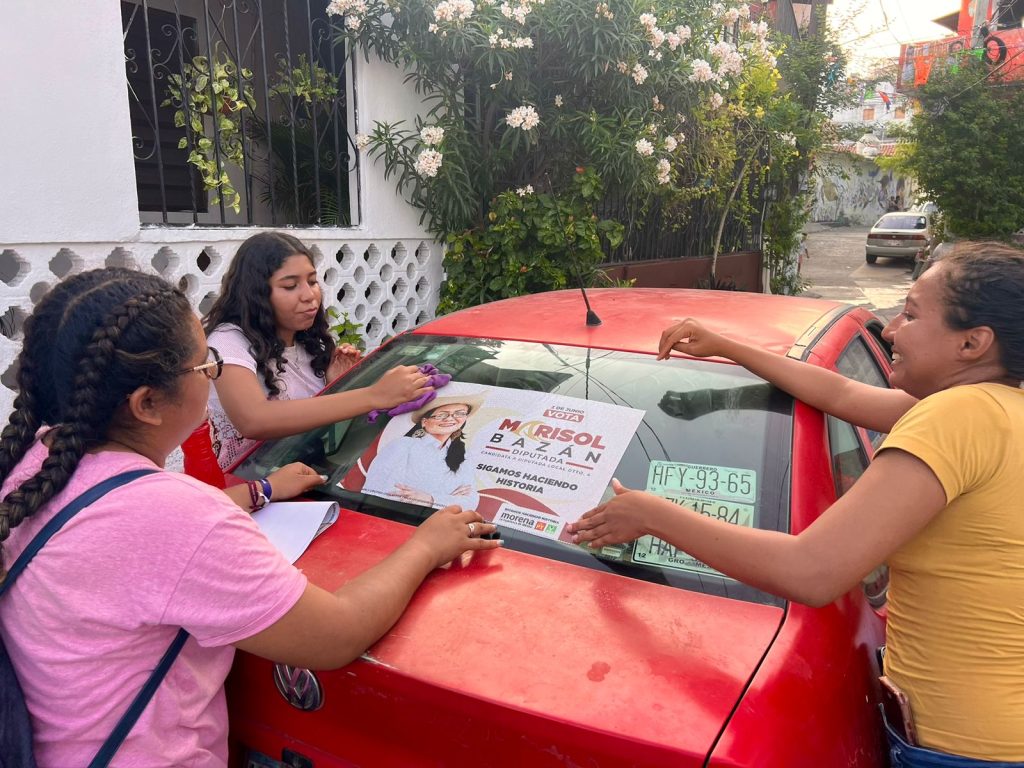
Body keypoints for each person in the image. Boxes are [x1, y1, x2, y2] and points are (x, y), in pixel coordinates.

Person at [0, 268, 499, 765]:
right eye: (205, 366)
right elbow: (337, 635)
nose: (213, 375)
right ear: (148, 403)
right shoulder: (176, 516)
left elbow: (128, 532)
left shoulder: (32, 461)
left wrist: (261, 490)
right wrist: (426, 544)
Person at [569, 242, 1024, 764]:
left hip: (970, 749)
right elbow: (841, 395)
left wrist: (652, 514)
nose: (891, 330)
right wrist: (727, 347)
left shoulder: (959, 417)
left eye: (912, 314)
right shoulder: (998, 410)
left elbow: (812, 571)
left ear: (973, 343)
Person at [203, 231, 429, 469]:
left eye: (312, 282)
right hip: (241, 486)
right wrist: (374, 395)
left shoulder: (307, 343)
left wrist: (336, 385)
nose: (310, 295)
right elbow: (253, 420)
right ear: (256, 294)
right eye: (290, 286)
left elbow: (312, 427)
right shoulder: (228, 342)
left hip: (305, 479)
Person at [362, 394, 483, 510]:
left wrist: (429, 499)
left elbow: (470, 502)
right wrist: (449, 498)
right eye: (441, 414)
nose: (450, 418)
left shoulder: (464, 457)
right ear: (424, 422)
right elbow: (378, 490)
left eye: (459, 413)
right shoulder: (403, 445)